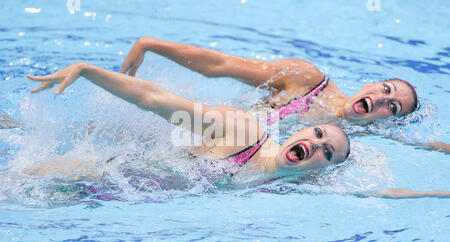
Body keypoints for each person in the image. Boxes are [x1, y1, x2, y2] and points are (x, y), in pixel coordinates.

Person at [26, 62, 449, 199]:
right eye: (319, 135)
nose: (317, 145)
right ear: (300, 133)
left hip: (119, 196)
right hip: (96, 173)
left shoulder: (295, 187)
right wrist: (86, 71)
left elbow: (380, 194)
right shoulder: (242, 131)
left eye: (328, 151)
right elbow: (155, 99)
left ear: (322, 170)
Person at [119, 36, 450, 153]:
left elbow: (420, 145)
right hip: (190, 132)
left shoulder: (342, 141)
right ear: (371, 85)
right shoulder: (306, 79)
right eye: (386, 90)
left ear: (386, 122)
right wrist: (151, 44)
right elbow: (221, 64)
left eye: (392, 108)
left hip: (223, 162)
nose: (381, 100)